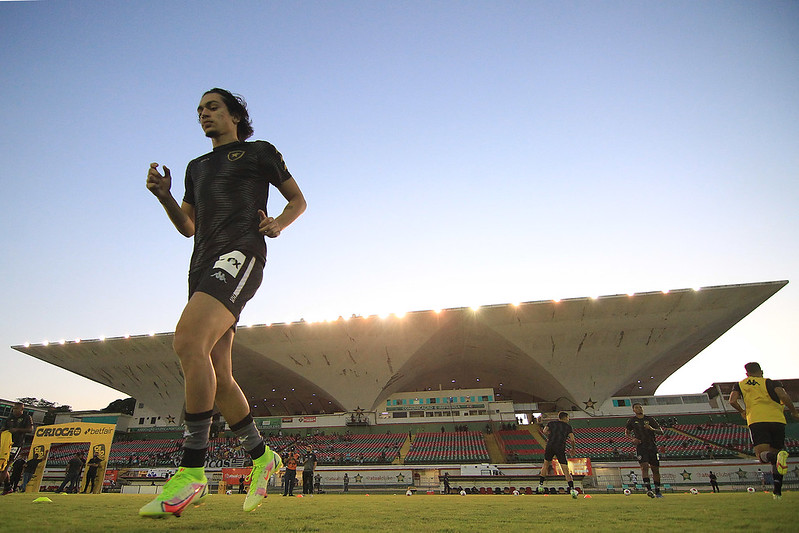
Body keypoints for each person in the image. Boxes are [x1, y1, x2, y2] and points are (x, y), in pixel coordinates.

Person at [140, 88, 306, 518]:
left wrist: (279, 224)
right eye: (198, 110)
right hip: (201, 264)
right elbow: (188, 226)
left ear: (234, 115)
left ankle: (192, 469)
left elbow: (298, 200)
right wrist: (165, 197)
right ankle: (262, 457)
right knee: (220, 376)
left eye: (212, 107)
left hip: (241, 252)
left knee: (187, 340)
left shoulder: (259, 152)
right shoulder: (196, 167)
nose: (203, 115)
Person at [729, 362, 799, 500]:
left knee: (762, 456)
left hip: (757, 419)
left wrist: (742, 411)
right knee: (777, 458)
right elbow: (783, 396)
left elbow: (732, 401)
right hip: (777, 419)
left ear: (747, 374)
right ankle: (777, 492)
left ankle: (775, 458)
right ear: (761, 371)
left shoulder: (741, 384)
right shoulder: (772, 382)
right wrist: (793, 411)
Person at [625, 403, 664, 498]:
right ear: (633, 410)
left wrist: (651, 429)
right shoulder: (632, 421)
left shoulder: (650, 419)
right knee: (644, 466)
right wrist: (632, 439)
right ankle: (649, 489)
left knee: (655, 469)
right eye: (636, 407)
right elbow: (627, 432)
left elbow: (661, 432)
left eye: (640, 407)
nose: (639, 409)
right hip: (641, 446)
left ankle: (658, 491)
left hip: (652, 446)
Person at [536, 411, 576, 495]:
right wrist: (573, 449)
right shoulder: (568, 427)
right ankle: (572, 488)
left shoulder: (551, 423)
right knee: (565, 468)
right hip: (560, 447)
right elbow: (572, 439)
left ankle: (540, 485)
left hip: (550, 445)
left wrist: (550, 436)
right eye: (568, 417)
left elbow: (544, 431)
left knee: (545, 465)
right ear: (565, 418)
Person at [1, 402, 33, 495]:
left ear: (21, 409)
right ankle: (7, 487)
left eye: (16, 408)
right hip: (6, 444)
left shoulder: (26, 418)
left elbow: (30, 429)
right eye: (13, 408)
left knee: (5, 467)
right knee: (2, 467)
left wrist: (17, 430)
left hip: (16, 445)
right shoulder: (10, 418)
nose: (14, 410)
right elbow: (3, 428)